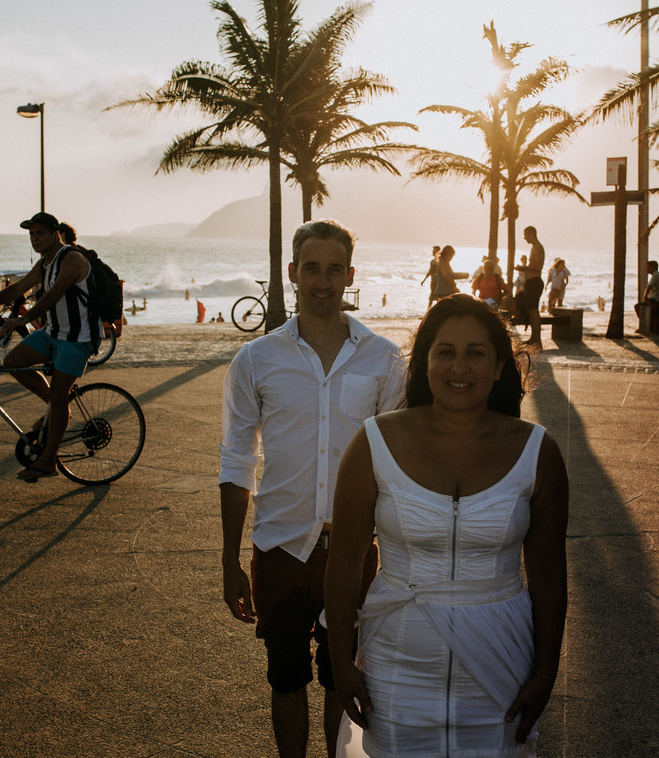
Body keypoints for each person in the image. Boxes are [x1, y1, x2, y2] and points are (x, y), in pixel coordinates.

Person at [324, 294, 569, 758]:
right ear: (424, 363)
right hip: (396, 663)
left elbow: (549, 573)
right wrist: (341, 661)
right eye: (445, 352)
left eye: (476, 353)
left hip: (502, 663)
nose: (460, 367)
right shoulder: (374, 441)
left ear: (498, 367)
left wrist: (545, 672)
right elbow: (346, 558)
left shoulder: (538, 451)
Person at [218, 219, 405, 758]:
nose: (323, 281)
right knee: (285, 680)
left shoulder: (383, 359)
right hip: (279, 548)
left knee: (345, 680)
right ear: (293, 272)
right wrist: (229, 559)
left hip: (355, 551)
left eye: (334, 269)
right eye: (312, 268)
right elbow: (237, 459)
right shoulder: (256, 359)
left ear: (350, 275)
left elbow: (394, 464)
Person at [0, 212, 98, 482]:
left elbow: (54, 295)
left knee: (60, 395)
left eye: (40, 233)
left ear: (55, 234)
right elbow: (18, 289)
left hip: (78, 338)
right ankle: (56, 408)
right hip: (52, 333)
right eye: (31, 234)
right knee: (12, 362)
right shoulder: (44, 263)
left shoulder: (71, 258)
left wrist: (23, 319)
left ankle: (48, 461)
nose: (34, 239)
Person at [516, 226, 545, 346]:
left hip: (535, 282)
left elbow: (537, 267)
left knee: (534, 311)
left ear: (531, 234)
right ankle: (534, 338)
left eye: (525, 235)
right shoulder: (534, 247)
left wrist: (523, 268)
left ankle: (537, 339)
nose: (524, 238)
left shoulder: (538, 247)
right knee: (531, 310)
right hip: (530, 282)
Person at [633, 259, 659, 331]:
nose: (646, 269)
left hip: (656, 299)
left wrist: (645, 298)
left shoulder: (656, 276)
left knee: (637, 307)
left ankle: (645, 325)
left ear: (653, 267)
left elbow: (648, 287)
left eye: (648, 267)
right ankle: (647, 325)